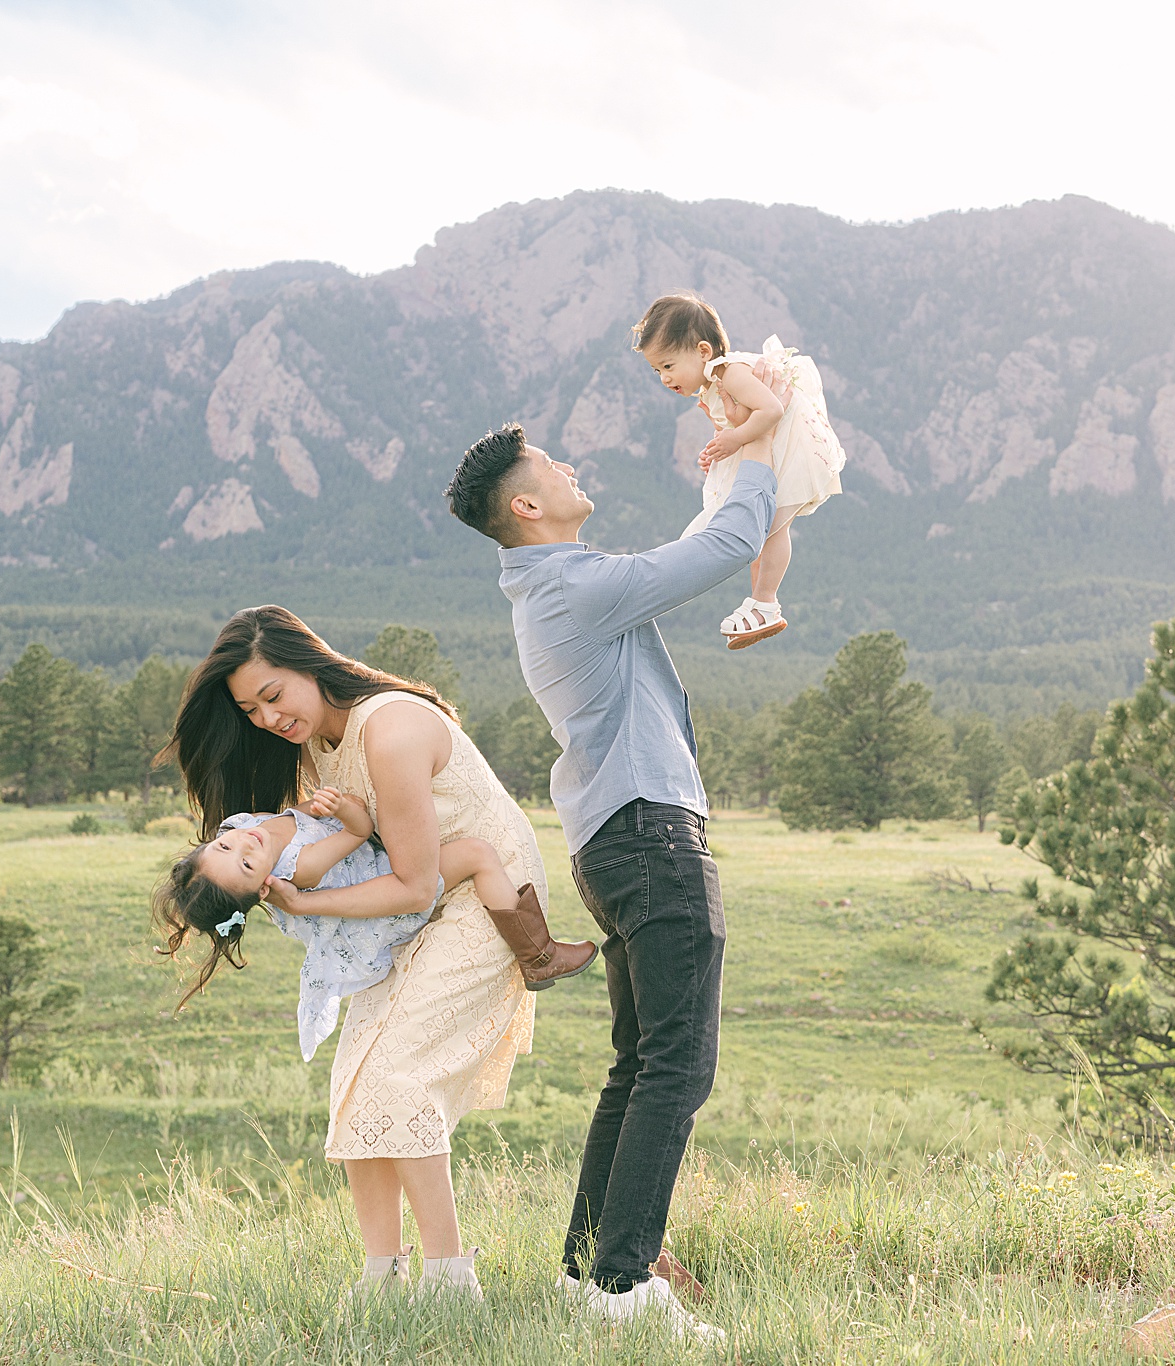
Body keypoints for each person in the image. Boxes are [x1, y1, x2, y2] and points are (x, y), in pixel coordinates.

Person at [442, 420, 777, 1342]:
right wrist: (760, 447)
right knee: (677, 1064)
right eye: (554, 465)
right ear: (526, 504)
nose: (571, 467)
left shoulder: (554, 591)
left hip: (616, 843)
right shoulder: (575, 587)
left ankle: (587, 1274)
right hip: (651, 840)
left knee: (640, 1066)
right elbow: (728, 545)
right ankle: (622, 1287)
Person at [168, 606, 594, 1300]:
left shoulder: (388, 730)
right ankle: (381, 1278)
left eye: (273, 696)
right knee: (354, 1084)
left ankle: (450, 1279)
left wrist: (307, 905)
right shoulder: (317, 745)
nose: (268, 720)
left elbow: (413, 881)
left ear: (306, 662)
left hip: (476, 896)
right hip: (405, 909)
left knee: (397, 1079)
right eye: (251, 711)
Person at [155, 783, 590, 1062]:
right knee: (478, 854)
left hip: (380, 869)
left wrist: (316, 803)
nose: (244, 845)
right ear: (266, 886)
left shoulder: (245, 827)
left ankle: (535, 951)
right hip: (386, 891)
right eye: (248, 865)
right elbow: (357, 832)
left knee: (474, 852)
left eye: (226, 846)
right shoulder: (299, 867)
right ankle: (538, 956)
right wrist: (344, 809)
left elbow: (299, 816)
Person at [632, 291, 844, 647]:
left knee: (772, 526)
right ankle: (760, 603)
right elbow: (741, 424)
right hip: (776, 449)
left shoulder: (728, 372)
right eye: (657, 371)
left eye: (668, 366)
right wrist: (720, 447)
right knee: (760, 527)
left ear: (702, 351)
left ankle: (766, 603)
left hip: (794, 450)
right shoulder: (713, 384)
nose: (664, 379)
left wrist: (733, 441)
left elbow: (771, 410)